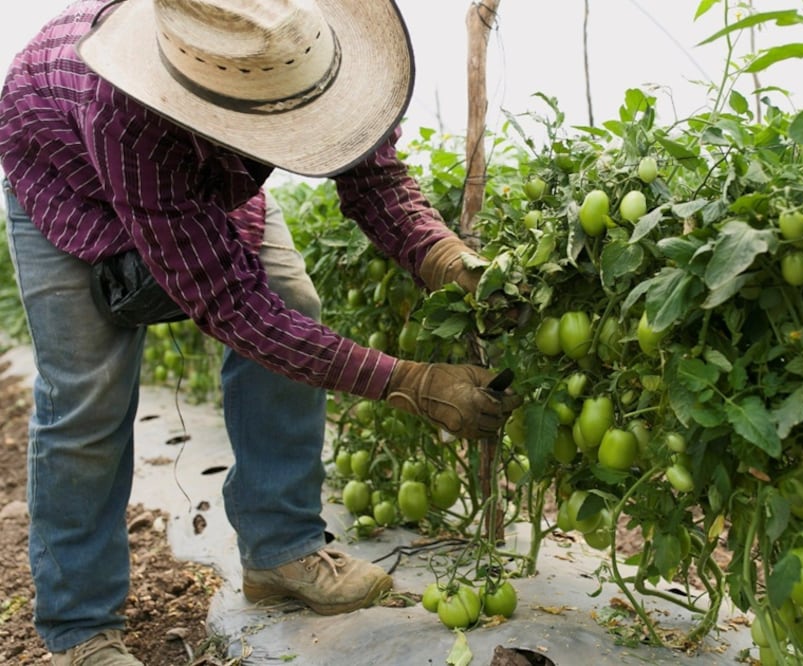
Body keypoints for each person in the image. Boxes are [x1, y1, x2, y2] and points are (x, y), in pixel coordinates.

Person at [0, 0, 522, 663]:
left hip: (198, 168)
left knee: (292, 298)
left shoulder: (301, 56)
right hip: (63, 171)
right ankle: (79, 627)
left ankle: (282, 548)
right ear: (220, 108)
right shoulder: (128, 109)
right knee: (88, 395)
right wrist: (411, 384)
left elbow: (375, 182)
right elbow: (232, 309)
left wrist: (448, 261)